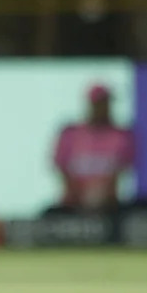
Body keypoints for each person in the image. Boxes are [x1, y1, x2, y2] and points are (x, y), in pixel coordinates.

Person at [51, 84, 137, 212]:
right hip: (72, 206)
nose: (103, 108)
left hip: (109, 207)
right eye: (99, 103)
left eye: (106, 103)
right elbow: (62, 169)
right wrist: (80, 195)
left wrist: (99, 195)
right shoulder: (70, 134)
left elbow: (120, 171)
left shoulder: (122, 136)